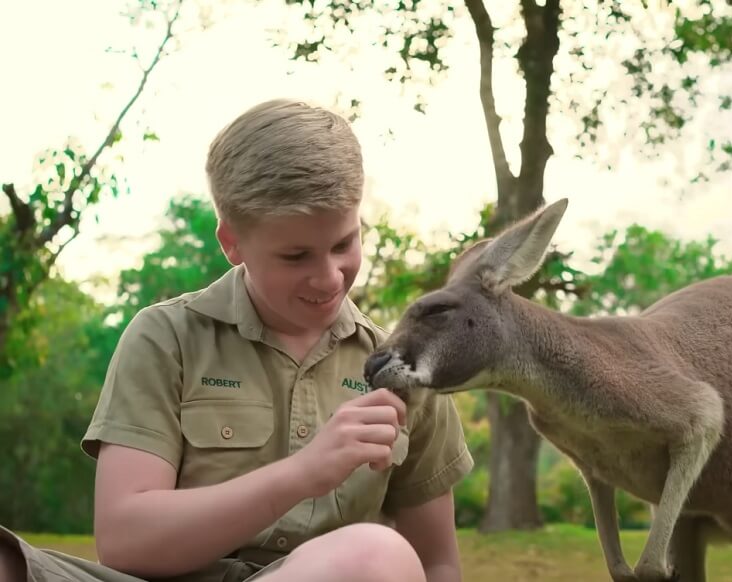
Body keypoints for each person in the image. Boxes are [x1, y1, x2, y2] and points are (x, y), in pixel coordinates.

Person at [0, 98, 474, 582]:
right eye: (296, 256)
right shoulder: (166, 337)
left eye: (343, 244)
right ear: (231, 244)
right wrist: (301, 474)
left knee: (373, 555)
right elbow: (124, 543)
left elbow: (435, 562)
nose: (329, 277)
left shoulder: (405, 369)